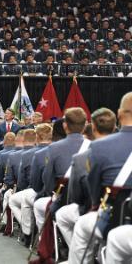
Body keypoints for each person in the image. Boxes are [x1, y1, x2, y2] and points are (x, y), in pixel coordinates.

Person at [68, 92, 132, 264]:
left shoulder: (99, 147)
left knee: (82, 226)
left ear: (119, 114)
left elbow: (95, 195)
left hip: (116, 219)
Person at [55, 108, 116, 247]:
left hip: (97, 213)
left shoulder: (82, 158)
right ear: (114, 127)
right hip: (123, 214)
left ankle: (77, 253)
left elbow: (76, 197)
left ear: (92, 127)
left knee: (63, 215)